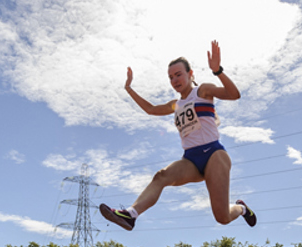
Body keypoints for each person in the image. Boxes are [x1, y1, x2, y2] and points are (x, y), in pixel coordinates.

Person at [99, 40, 256, 231]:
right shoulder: (176, 105)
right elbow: (150, 109)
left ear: (190, 74)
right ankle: (131, 215)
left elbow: (234, 94)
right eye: (171, 77)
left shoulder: (203, 91)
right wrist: (129, 89)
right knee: (161, 176)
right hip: (190, 159)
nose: (175, 80)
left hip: (214, 154)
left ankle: (241, 208)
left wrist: (218, 71)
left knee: (222, 217)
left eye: (178, 75)